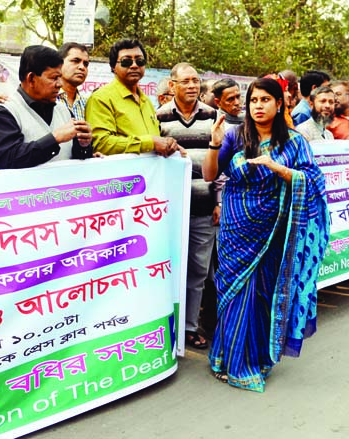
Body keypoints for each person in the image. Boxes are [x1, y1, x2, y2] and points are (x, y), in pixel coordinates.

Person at [201, 77, 329, 392]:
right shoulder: (234, 135)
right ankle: (227, 359)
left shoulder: (295, 142)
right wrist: (215, 143)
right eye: (253, 100)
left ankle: (255, 358)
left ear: (278, 104)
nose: (258, 106)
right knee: (233, 295)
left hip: (274, 231)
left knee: (261, 295)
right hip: (236, 228)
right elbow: (209, 175)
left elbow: (313, 182)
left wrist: (279, 168)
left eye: (265, 100)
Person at [157, 62, 220, 350]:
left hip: (204, 205)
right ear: (172, 86)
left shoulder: (212, 116)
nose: (192, 86)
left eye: (196, 80)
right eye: (185, 81)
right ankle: (163, 327)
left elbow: (221, 161)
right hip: (167, 211)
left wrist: (219, 200)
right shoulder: (157, 117)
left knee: (197, 271)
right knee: (165, 270)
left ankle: (190, 327)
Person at [0, 45, 92, 169]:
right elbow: (9, 159)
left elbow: (78, 158)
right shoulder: (5, 112)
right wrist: (54, 138)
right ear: (31, 79)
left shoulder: (64, 111)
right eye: (54, 78)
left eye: (60, 77)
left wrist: (84, 145)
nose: (59, 84)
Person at [85, 39, 181, 157]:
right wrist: (150, 143)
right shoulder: (101, 98)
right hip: (122, 174)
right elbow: (101, 143)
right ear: (113, 66)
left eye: (140, 61)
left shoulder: (146, 101)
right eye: (126, 61)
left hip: (149, 173)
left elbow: (155, 141)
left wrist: (168, 145)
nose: (134, 65)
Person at [57, 42, 90, 120]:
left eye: (86, 64)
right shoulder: (47, 100)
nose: (82, 67)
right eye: (75, 61)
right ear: (59, 63)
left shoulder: (88, 104)